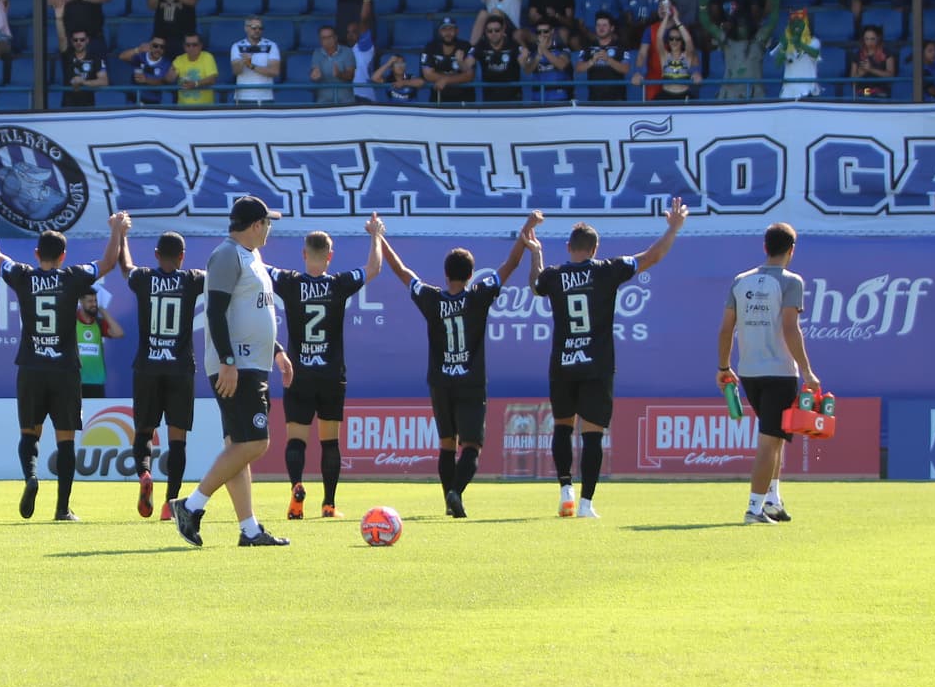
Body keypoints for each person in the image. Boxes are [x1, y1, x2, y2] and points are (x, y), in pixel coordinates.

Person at [526, 199, 688, 520]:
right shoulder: (605, 270)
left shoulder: (555, 276)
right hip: (596, 364)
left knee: (562, 427)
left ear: (569, 247)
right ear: (595, 249)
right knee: (593, 434)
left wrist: (536, 252)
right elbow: (652, 257)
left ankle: (565, 490)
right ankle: (586, 504)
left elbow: (535, 285)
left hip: (563, 364)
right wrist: (672, 229)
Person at [381, 212, 542, 519]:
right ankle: (456, 491)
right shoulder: (478, 296)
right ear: (471, 276)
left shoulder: (432, 299)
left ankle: (448, 499)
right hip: (471, 381)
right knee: (471, 446)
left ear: (446, 275)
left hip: (440, 381)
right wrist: (526, 229)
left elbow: (401, 271)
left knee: (446, 443)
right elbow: (511, 264)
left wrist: (379, 238)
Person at [0, 207, 124, 523]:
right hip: (64, 370)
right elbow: (109, 262)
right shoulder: (72, 277)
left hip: (31, 367)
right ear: (63, 255)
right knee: (66, 439)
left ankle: (31, 477)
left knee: (29, 433)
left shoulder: (23, 276)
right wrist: (116, 229)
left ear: (36, 254)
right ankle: (62, 508)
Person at [171, 195, 296, 549]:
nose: (269, 229)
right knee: (256, 442)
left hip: (250, 362)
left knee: (237, 448)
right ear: (255, 225)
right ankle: (191, 506)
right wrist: (227, 360)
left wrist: (277, 351)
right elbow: (215, 311)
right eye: (267, 223)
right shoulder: (227, 254)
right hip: (237, 365)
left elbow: (252, 312)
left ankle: (249, 530)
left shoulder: (251, 256)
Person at [271, 217, 385, 521]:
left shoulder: (290, 282)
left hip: (298, 374)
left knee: (296, 440)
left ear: (304, 253)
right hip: (331, 376)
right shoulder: (338, 284)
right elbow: (374, 268)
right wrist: (375, 235)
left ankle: (296, 490)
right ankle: (329, 505)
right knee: (330, 441)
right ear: (330, 256)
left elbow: (258, 266)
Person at [715, 223, 819, 525]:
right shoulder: (791, 281)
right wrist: (808, 371)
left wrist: (723, 367)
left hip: (749, 372)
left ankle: (772, 500)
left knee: (774, 437)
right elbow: (790, 328)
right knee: (769, 440)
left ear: (765, 247)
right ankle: (754, 508)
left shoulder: (741, 281)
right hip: (780, 372)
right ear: (792, 250)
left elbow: (726, 329)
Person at [119, 228, 205, 520]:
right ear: (182, 256)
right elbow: (220, 277)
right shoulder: (192, 279)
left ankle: (145, 473)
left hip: (148, 367)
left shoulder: (144, 278)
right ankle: (170, 503)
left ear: (156, 254)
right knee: (177, 438)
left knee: (144, 431)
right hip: (180, 368)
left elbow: (125, 267)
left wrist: (122, 236)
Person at [75, 290, 123, 398]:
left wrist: (103, 312)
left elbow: (119, 333)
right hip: (76, 380)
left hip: (96, 381)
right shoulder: (72, 322)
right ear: (81, 302)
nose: (94, 304)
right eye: (90, 301)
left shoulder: (98, 322)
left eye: (95, 301)